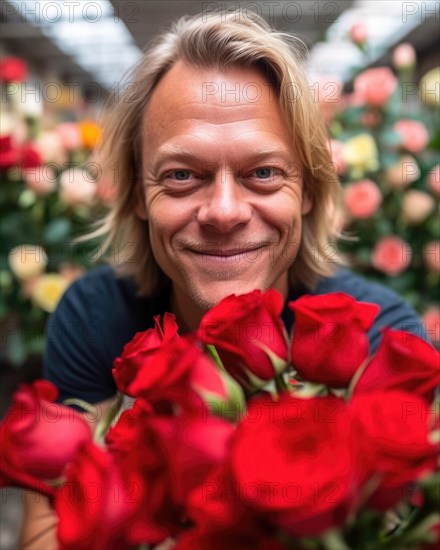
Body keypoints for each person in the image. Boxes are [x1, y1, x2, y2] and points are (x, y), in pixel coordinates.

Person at [21, 10, 428, 548]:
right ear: (139, 195)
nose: (225, 211)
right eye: (182, 175)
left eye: (263, 173)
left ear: (307, 191)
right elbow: (49, 528)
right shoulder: (95, 316)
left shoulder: (373, 336)